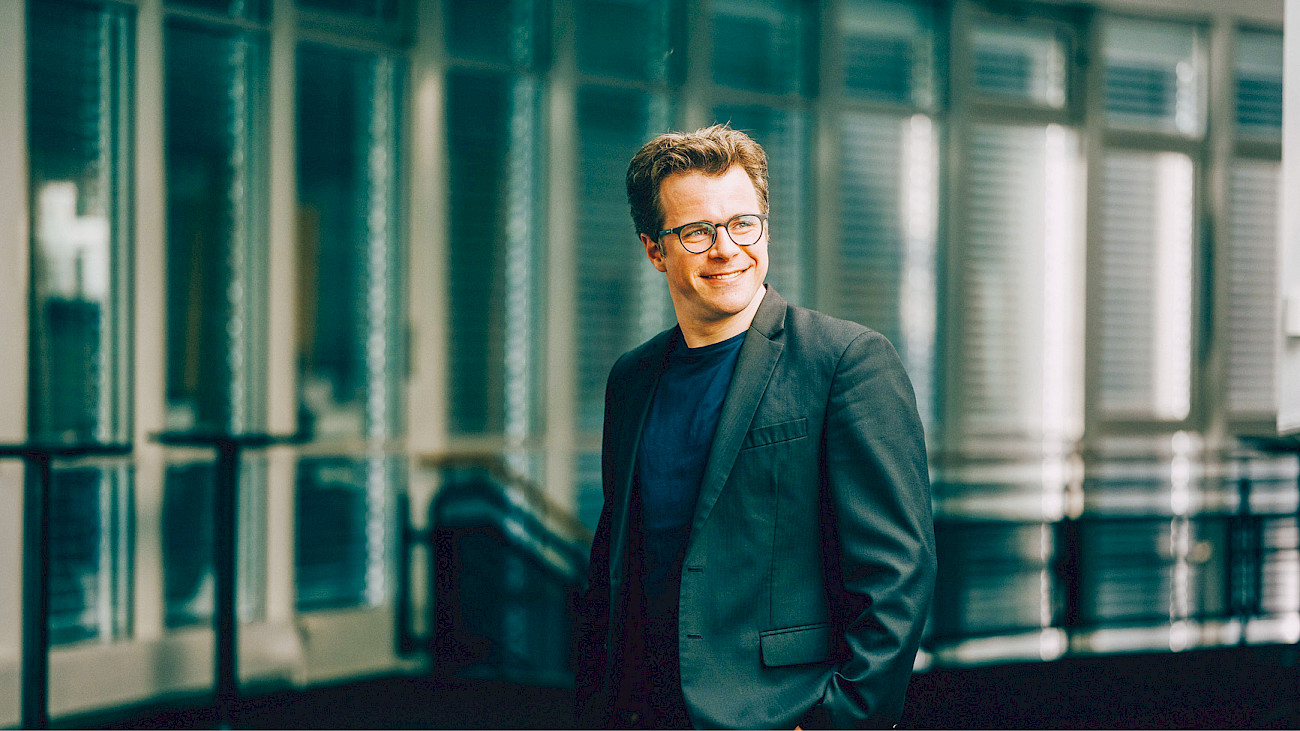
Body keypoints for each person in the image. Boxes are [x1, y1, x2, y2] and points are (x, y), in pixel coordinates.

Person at [575, 124, 936, 730]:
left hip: (781, 712)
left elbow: (898, 573)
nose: (726, 249)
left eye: (743, 224)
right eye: (697, 231)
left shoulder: (845, 362)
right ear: (654, 250)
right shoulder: (632, 379)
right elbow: (617, 564)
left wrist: (836, 722)